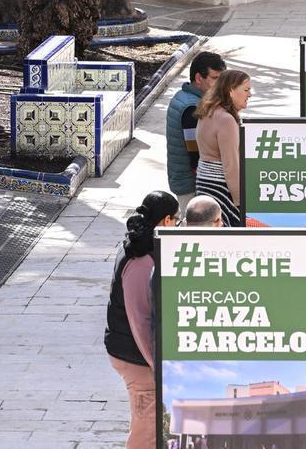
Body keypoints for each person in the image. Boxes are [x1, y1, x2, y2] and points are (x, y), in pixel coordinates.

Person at [105, 190, 179, 449]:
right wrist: (159, 369)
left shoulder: (144, 246)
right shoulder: (140, 260)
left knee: (145, 422)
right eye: (176, 220)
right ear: (166, 220)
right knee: (147, 427)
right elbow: (140, 322)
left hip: (132, 352)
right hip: (136, 357)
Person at [166, 52, 226, 212]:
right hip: (193, 187)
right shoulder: (193, 107)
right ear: (199, 78)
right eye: (215, 78)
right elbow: (196, 154)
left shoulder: (187, 97)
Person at [195, 69, 252, 228]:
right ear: (231, 91)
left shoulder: (207, 111)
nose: (249, 95)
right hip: (221, 189)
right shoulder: (226, 120)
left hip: (203, 183)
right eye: (246, 90)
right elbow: (231, 167)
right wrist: (241, 203)